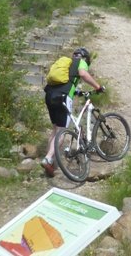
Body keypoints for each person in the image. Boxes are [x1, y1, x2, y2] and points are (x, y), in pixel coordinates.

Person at [41, 47, 105, 177]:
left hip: (49, 95)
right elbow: (83, 74)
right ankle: (48, 158)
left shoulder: (67, 65)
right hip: (63, 97)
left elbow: (68, 82)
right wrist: (97, 86)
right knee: (61, 131)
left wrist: (77, 92)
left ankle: (51, 163)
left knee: (55, 130)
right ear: (85, 59)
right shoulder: (80, 62)